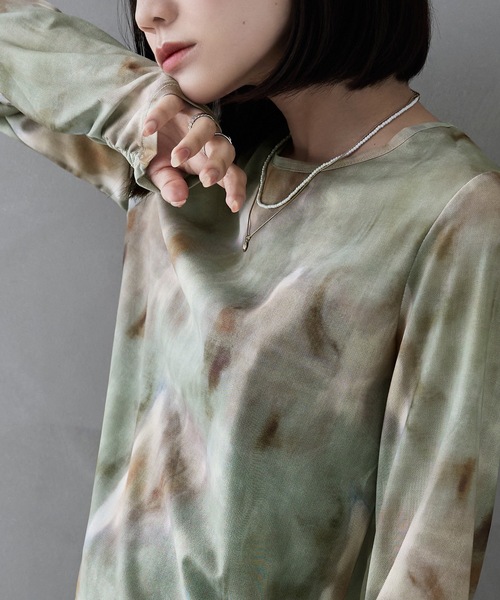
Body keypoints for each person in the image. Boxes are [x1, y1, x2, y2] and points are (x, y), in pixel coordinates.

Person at [1, 0, 499, 598]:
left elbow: (427, 562)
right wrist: (137, 103)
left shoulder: (453, 209)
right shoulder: (179, 162)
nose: (149, 13)